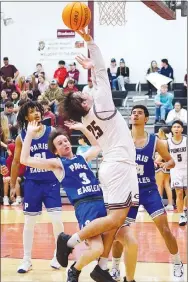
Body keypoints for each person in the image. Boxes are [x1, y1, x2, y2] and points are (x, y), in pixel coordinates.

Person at [57, 29, 138, 281]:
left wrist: (92, 67)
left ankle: (101, 267)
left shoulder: (90, 114)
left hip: (117, 165)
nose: (86, 92)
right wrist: (91, 45)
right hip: (118, 166)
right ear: (83, 104)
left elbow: (98, 76)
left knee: (119, 219)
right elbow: (102, 72)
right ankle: (70, 241)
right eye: (83, 94)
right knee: (115, 218)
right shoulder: (101, 103)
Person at [20, 121, 110, 282]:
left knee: (120, 235)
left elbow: (97, 147)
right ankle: (74, 270)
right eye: (60, 143)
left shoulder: (82, 157)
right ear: (55, 150)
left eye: (66, 140)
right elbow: (25, 159)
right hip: (85, 207)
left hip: (101, 201)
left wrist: (83, 128)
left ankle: (105, 268)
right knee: (97, 249)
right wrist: (29, 135)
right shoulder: (58, 164)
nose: (65, 144)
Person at [110, 105, 184, 281]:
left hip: (149, 190)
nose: (135, 115)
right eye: (133, 113)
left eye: (139, 113)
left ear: (146, 119)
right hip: (128, 191)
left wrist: (165, 165)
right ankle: (114, 267)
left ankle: (177, 263)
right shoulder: (122, 139)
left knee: (164, 229)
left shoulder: (155, 141)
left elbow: (171, 161)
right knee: (120, 233)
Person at [8, 101, 64, 273]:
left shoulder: (51, 133)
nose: (37, 114)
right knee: (29, 222)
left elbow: (62, 156)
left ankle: (58, 255)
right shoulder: (21, 137)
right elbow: (16, 162)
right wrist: (12, 186)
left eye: (38, 110)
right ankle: (26, 259)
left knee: (56, 220)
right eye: (32, 112)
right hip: (32, 183)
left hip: (51, 182)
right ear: (26, 116)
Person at [167, 120, 187, 226]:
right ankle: (182, 216)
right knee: (179, 192)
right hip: (175, 170)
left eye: (178, 127)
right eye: (174, 127)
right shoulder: (168, 142)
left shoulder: (186, 140)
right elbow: (163, 155)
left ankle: (185, 208)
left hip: (186, 168)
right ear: (171, 129)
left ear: (182, 129)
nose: (176, 128)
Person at [155, 127, 174, 211]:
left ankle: (159, 204)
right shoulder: (169, 141)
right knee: (166, 185)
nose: (158, 133)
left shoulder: (163, 141)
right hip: (167, 165)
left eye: (159, 131)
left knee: (159, 185)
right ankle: (170, 204)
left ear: (162, 132)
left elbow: (161, 155)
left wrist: (155, 162)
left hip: (160, 165)